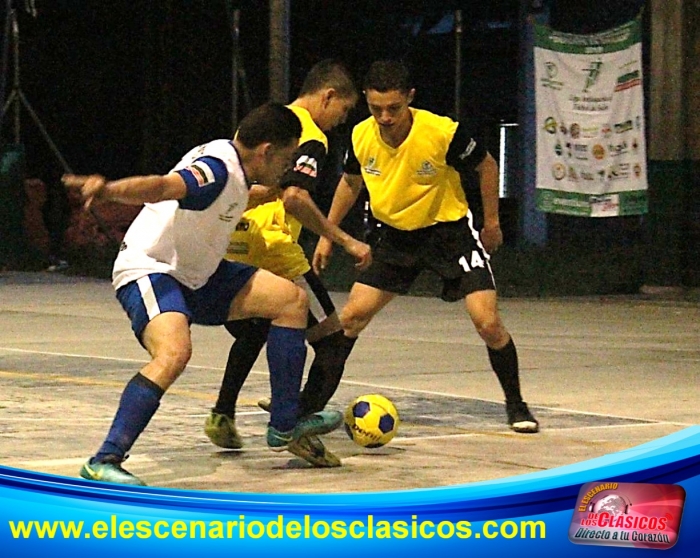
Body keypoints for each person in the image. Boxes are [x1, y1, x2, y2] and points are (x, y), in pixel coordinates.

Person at [62, 102, 344, 486]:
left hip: (201, 274)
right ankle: (104, 460)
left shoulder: (237, 169)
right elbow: (163, 187)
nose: (289, 165)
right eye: (287, 157)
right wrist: (109, 190)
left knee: (290, 301)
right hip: (153, 269)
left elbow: (245, 196)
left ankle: (284, 425)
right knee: (174, 353)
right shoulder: (214, 170)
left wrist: (282, 196)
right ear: (266, 151)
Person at [313, 60, 539, 434]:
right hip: (393, 237)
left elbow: (486, 166)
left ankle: (516, 404)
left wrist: (492, 222)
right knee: (351, 317)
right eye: (376, 109)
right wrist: (327, 233)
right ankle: (309, 406)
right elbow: (350, 183)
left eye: (394, 108)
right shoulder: (359, 135)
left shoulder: (442, 132)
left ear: (410, 99)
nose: (385, 117)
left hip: (449, 235)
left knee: (487, 322)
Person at [204, 60, 371, 467]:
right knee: (333, 338)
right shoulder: (309, 137)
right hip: (274, 249)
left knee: (259, 327)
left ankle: (222, 414)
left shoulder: (269, 122)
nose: (340, 121)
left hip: (234, 239)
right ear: (328, 96)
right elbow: (295, 197)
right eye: (343, 112)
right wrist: (344, 239)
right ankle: (295, 425)